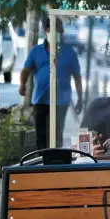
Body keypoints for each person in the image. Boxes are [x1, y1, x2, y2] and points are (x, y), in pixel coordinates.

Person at [19, 17, 83, 149]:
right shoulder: (36, 51)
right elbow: (25, 70)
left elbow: (77, 77)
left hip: (60, 101)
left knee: (56, 136)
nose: (53, 32)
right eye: (50, 29)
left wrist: (80, 98)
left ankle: (55, 163)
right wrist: (22, 84)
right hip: (40, 100)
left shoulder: (69, 53)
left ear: (62, 31)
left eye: (57, 29)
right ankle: (42, 164)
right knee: (41, 136)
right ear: (45, 30)